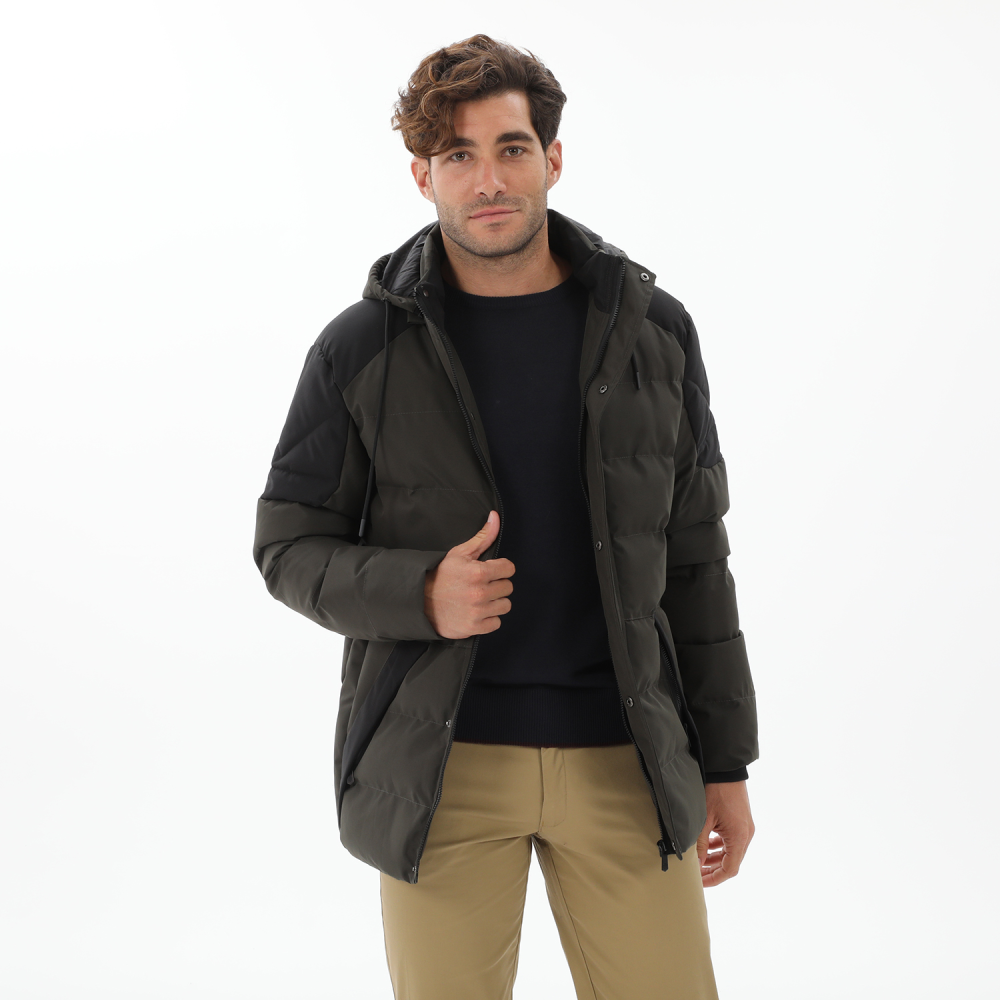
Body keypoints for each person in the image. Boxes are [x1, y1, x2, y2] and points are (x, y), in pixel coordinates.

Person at [253, 33, 758, 1000]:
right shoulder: (360, 347)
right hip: (440, 767)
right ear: (423, 176)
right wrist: (419, 592)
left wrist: (726, 764)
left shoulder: (654, 333)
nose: (488, 179)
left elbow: (697, 558)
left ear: (552, 159)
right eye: (459, 155)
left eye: (511, 148)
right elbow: (286, 545)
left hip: (626, 754)